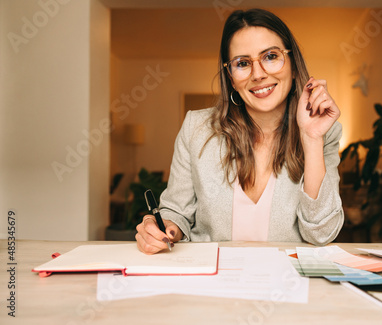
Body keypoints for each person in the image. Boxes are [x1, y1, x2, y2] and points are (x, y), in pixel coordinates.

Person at [136, 8, 344, 254]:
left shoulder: (324, 132)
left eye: (271, 56)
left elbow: (321, 234)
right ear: (231, 78)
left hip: (287, 283)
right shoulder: (196, 129)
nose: (258, 74)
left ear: (293, 65)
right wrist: (161, 227)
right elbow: (176, 213)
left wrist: (311, 138)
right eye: (243, 63)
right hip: (213, 283)